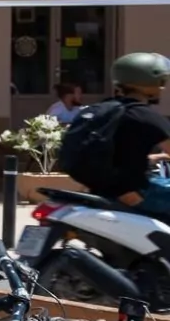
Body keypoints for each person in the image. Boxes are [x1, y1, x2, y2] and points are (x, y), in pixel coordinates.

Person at [65, 54, 170, 218]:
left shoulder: (103, 109)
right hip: (136, 193)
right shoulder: (145, 115)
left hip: (103, 190)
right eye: (161, 82)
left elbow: (118, 153)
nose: (162, 88)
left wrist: (154, 157)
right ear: (149, 83)